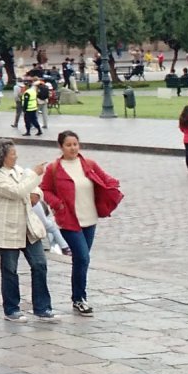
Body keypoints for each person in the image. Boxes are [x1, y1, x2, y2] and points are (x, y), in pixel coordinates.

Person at [38, 131, 121, 316]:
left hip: (89, 218)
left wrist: (113, 186)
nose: (73, 148)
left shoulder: (89, 164)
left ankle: (77, 297)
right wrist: (58, 204)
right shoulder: (54, 168)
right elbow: (45, 189)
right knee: (83, 257)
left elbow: (104, 179)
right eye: (68, 145)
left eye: (75, 144)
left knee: (81, 260)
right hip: (69, 221)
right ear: (61, 147)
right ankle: (80, 298)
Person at [0, 140, 56, 323]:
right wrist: (34, 174)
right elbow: (17, 191)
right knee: (10, 269)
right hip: (8, 228)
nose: (16, 156)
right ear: (3, 156)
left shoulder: (19, 171)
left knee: (40, 264)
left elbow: (34, 188)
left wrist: (36, 194)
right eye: (12, 153)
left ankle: (42, 307)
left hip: (28, 226)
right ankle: (11, 309)